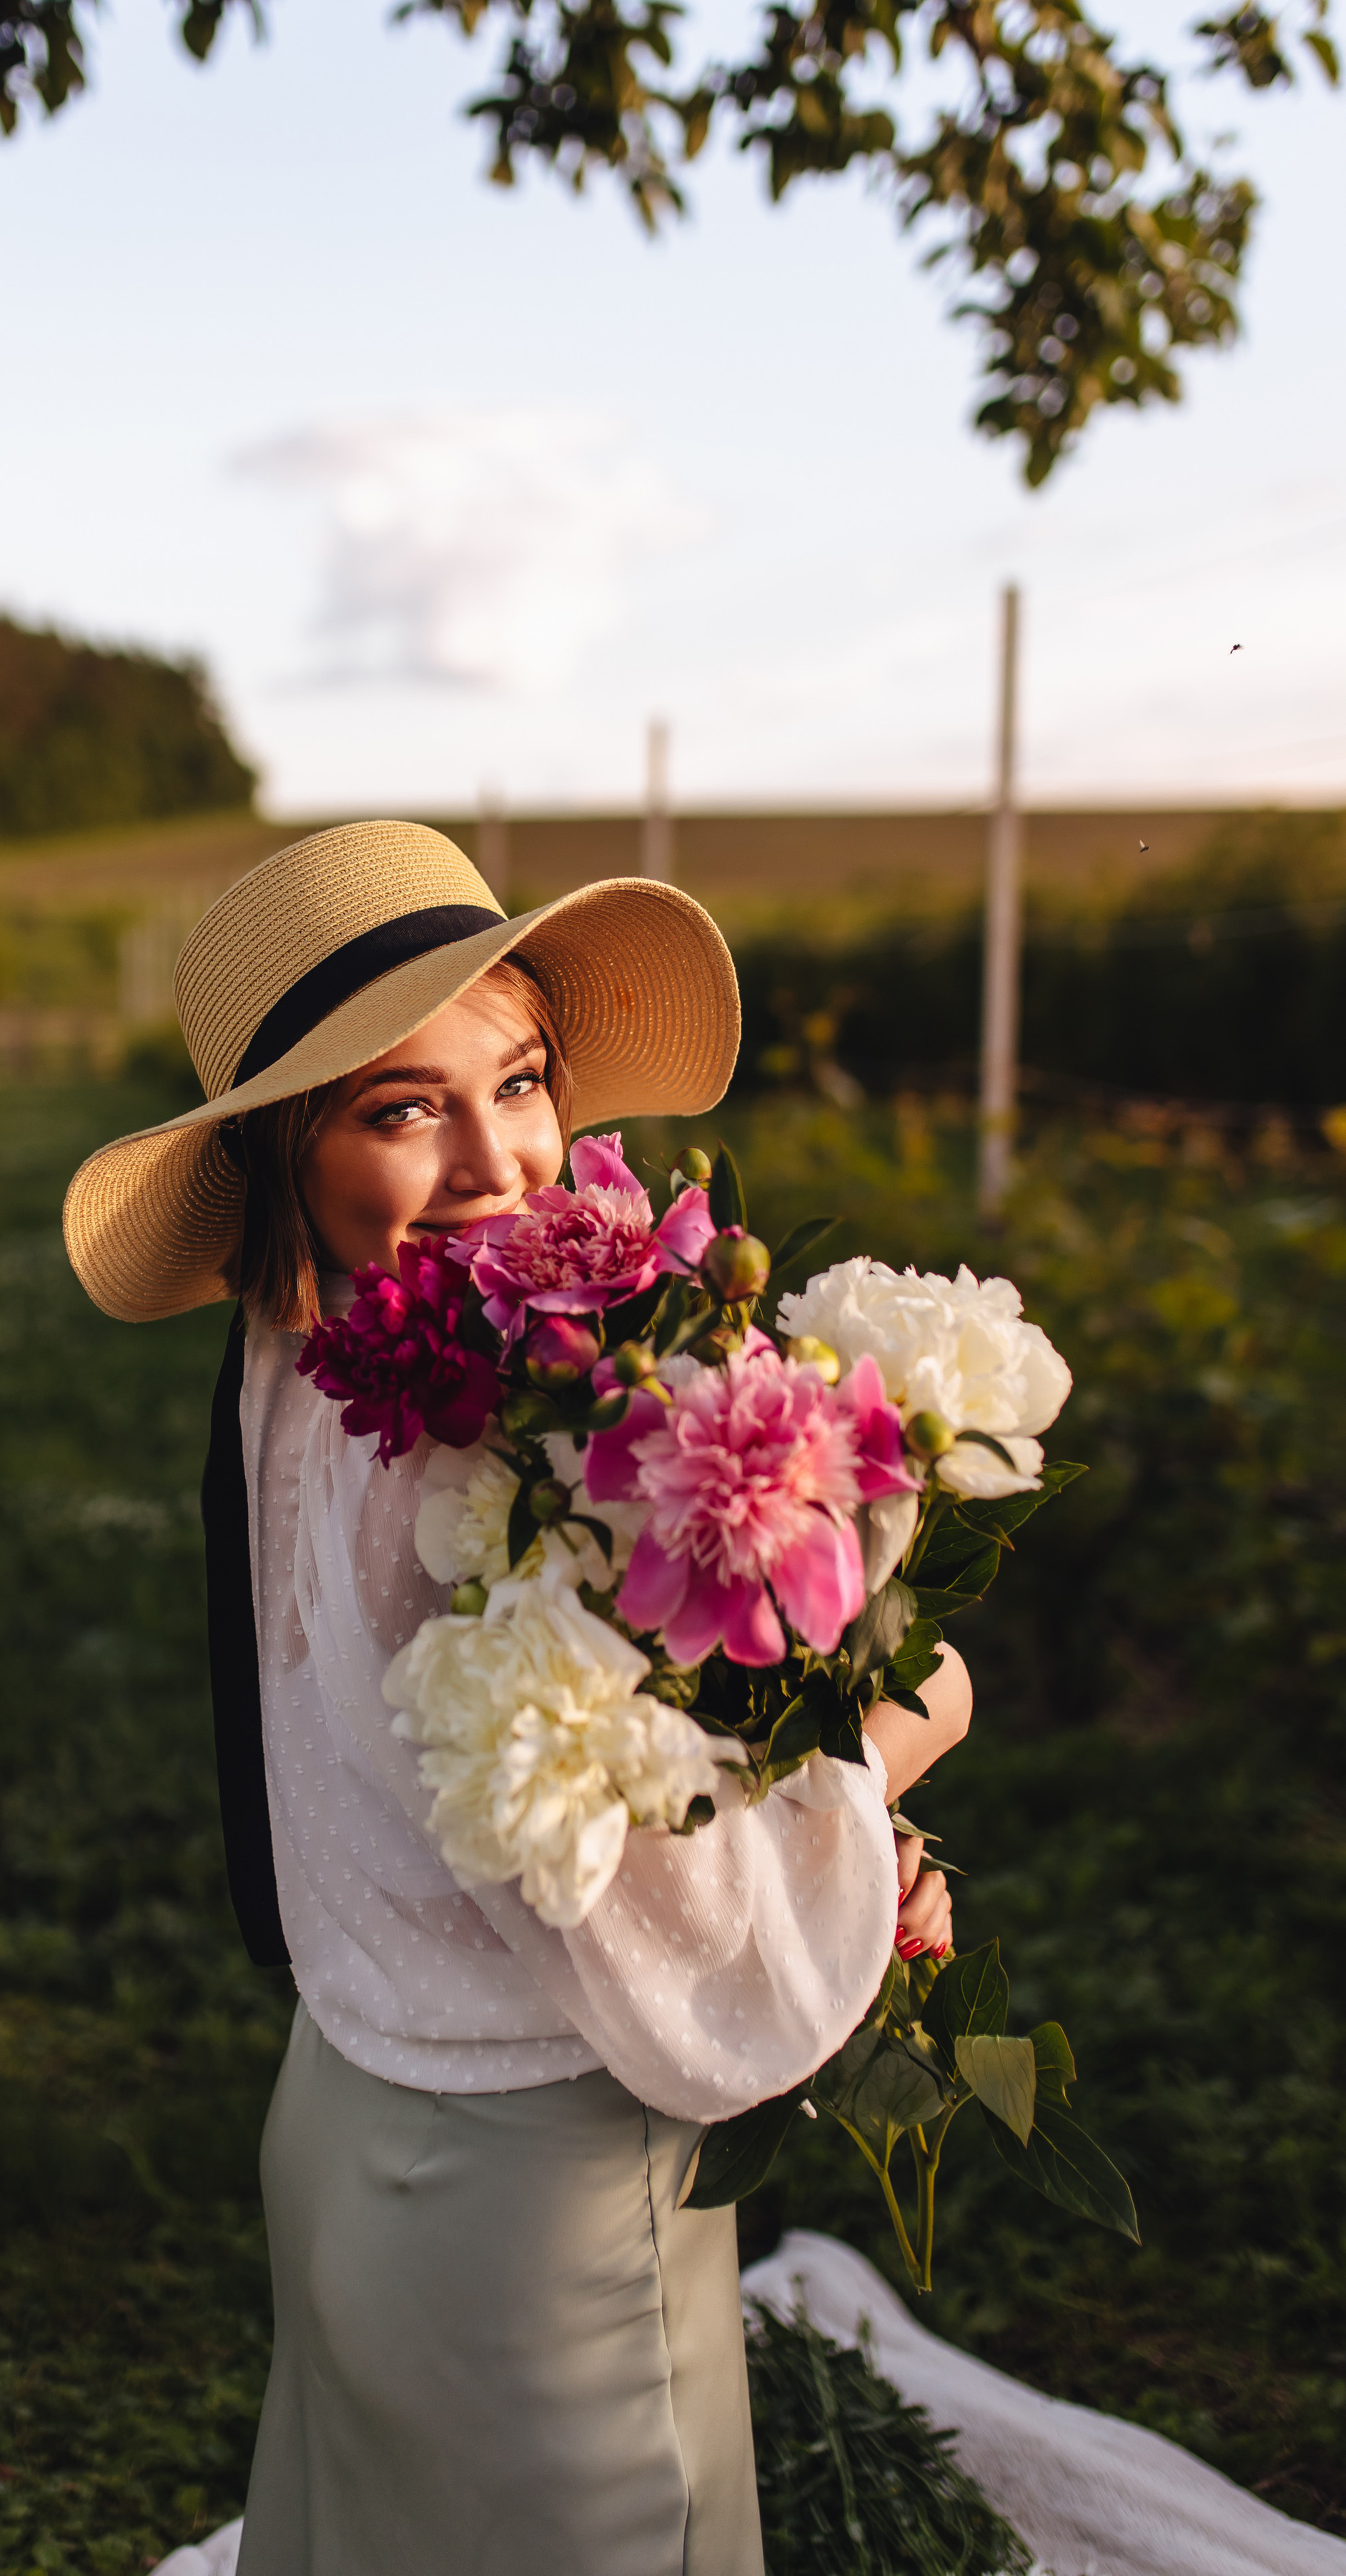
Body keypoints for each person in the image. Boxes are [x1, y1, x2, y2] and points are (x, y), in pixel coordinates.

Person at [64, 821, 969, 2576]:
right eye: (400, 1109)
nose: (496, 1161)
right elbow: (659, 1891)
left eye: (522, 1080)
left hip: (344, 2114)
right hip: (527, 2198)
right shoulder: (489, 1443)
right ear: (283, 1150)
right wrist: (902, 1719)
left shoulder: (311, 1356)